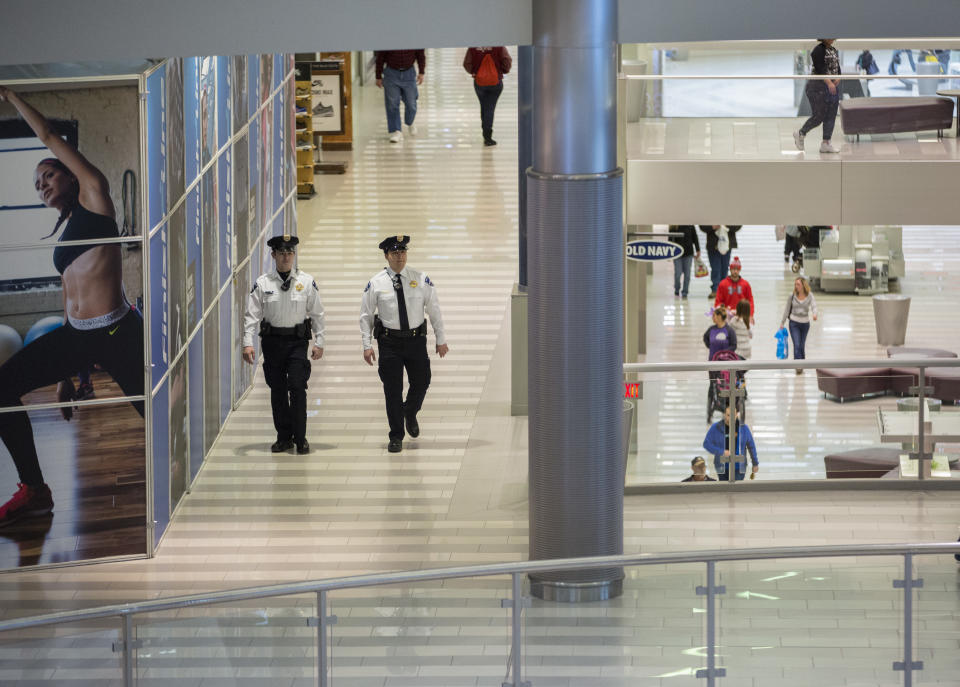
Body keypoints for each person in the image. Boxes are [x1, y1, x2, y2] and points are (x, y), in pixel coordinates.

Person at [0, 86, 144, 528]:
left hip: (118, 331)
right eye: (37, 183)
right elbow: (68, 297)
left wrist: (11, 97)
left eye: (48, 175)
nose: (42, 185)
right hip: (78, 337)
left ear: (71, 173)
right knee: (2, 389)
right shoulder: (65, 233)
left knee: (158, 412)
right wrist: (67, 374)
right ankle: (35, 491)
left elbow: (46, 134)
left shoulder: (96, 198)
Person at [360, 235, 448, 453]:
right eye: (395, 253)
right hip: (389, 342)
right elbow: (366, 315)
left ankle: (409, 411)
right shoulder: (376, 283)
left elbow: (434, 309)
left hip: (416, 340)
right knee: (392, 390)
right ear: (386, 256)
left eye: (403, 252)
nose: (400, 257)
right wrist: (366, 344)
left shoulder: (421, 278)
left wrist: (441, 339)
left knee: (422, 381)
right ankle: (396, 435)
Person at [242, 235, 325, 455]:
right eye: (281, 253)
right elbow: (251, 315)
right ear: (273, 255)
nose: (286, 257)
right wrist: (247, 343)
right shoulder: (263, 283)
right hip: (273, 344)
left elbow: (317, 313)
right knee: (277, 391)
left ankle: (301, 438)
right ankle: (283, 438)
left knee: (298, 387)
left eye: (289, 253)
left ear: (294, 255)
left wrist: (320, 341)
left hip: (297, 343)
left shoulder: (306, 282)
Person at [794, 39, 842, 154]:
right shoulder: (818, 50)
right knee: (819, 115)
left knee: (831, 115)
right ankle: (801, 133)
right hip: (817, 87)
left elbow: (837, 68)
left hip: (831, 87)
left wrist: (838, 79)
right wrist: (829, 82)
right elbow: (820, 68)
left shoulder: (834, 50)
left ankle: (826, 143)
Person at [463, 46, 512, 146]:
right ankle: (488, 137)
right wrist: (501, 71)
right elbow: (507, 61)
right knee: (490, 108)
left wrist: (474, 71)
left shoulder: (473, 47)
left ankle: (485, 132)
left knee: (484, 106)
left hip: (479, 82)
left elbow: (466, 64)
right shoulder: (499, 46)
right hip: (495, 83)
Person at [375, 50, 426, 143]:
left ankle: (410, 122)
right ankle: (396, 131)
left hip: (409, 73)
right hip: (391, 74)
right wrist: (378, 76)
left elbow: (421, 55)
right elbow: (380, 57)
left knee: (411, 104)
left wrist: (421, 72)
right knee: (392, 103)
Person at [703, 406, 759, 481]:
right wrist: (721, 452)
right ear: (724, 415)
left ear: (736, 415)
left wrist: (755, 463)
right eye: (728, 415)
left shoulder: (744, 428)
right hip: (721, 466)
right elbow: (706, 444)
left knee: (735, 489)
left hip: (739, 467)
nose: (730, 418)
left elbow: (751, 446)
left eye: (733, 415)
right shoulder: (716, 427)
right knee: (724, 489)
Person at [779, 276, 818, 375]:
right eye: (795, 284)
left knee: (802, 345)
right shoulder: (791, 296)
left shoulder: (809, 295)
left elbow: (814, 305)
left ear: (803, 285)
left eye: (798, 284)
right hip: (794, 323)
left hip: (805, 323)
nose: (796, 286)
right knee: (796, 344)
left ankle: (802, 363)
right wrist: (782, 323)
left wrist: (814, 314)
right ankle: (798, 366)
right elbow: (787, 309)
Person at [699, 225, 740, 299]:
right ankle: (715, 290)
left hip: (727, 245)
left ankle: (724, 289)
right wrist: (712, 227)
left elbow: (738, 225)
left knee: (725, 268)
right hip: (713, 245)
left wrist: (727, 226)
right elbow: (702, 226)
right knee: (715, 268)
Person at [714, 256, 755, 322]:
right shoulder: (723, 284)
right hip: (727, 314)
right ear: (730, 269)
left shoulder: (745, 284)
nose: (735, 271)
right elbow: (718, 302)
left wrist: (750, 315)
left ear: (740, 270)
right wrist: (722, 312)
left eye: (737, 269)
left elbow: (750, 301)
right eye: (733, 269)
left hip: (742, 314)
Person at [669, 225, 700, 299]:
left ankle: (685, 292)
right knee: (678, 273)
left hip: (688, 253)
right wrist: (669, 253)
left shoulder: (690, 225)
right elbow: (670, 239)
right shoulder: (673, 226)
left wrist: (698, 249)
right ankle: (677, 289)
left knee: (687, 274)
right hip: (677, 253)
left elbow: (695, 238)